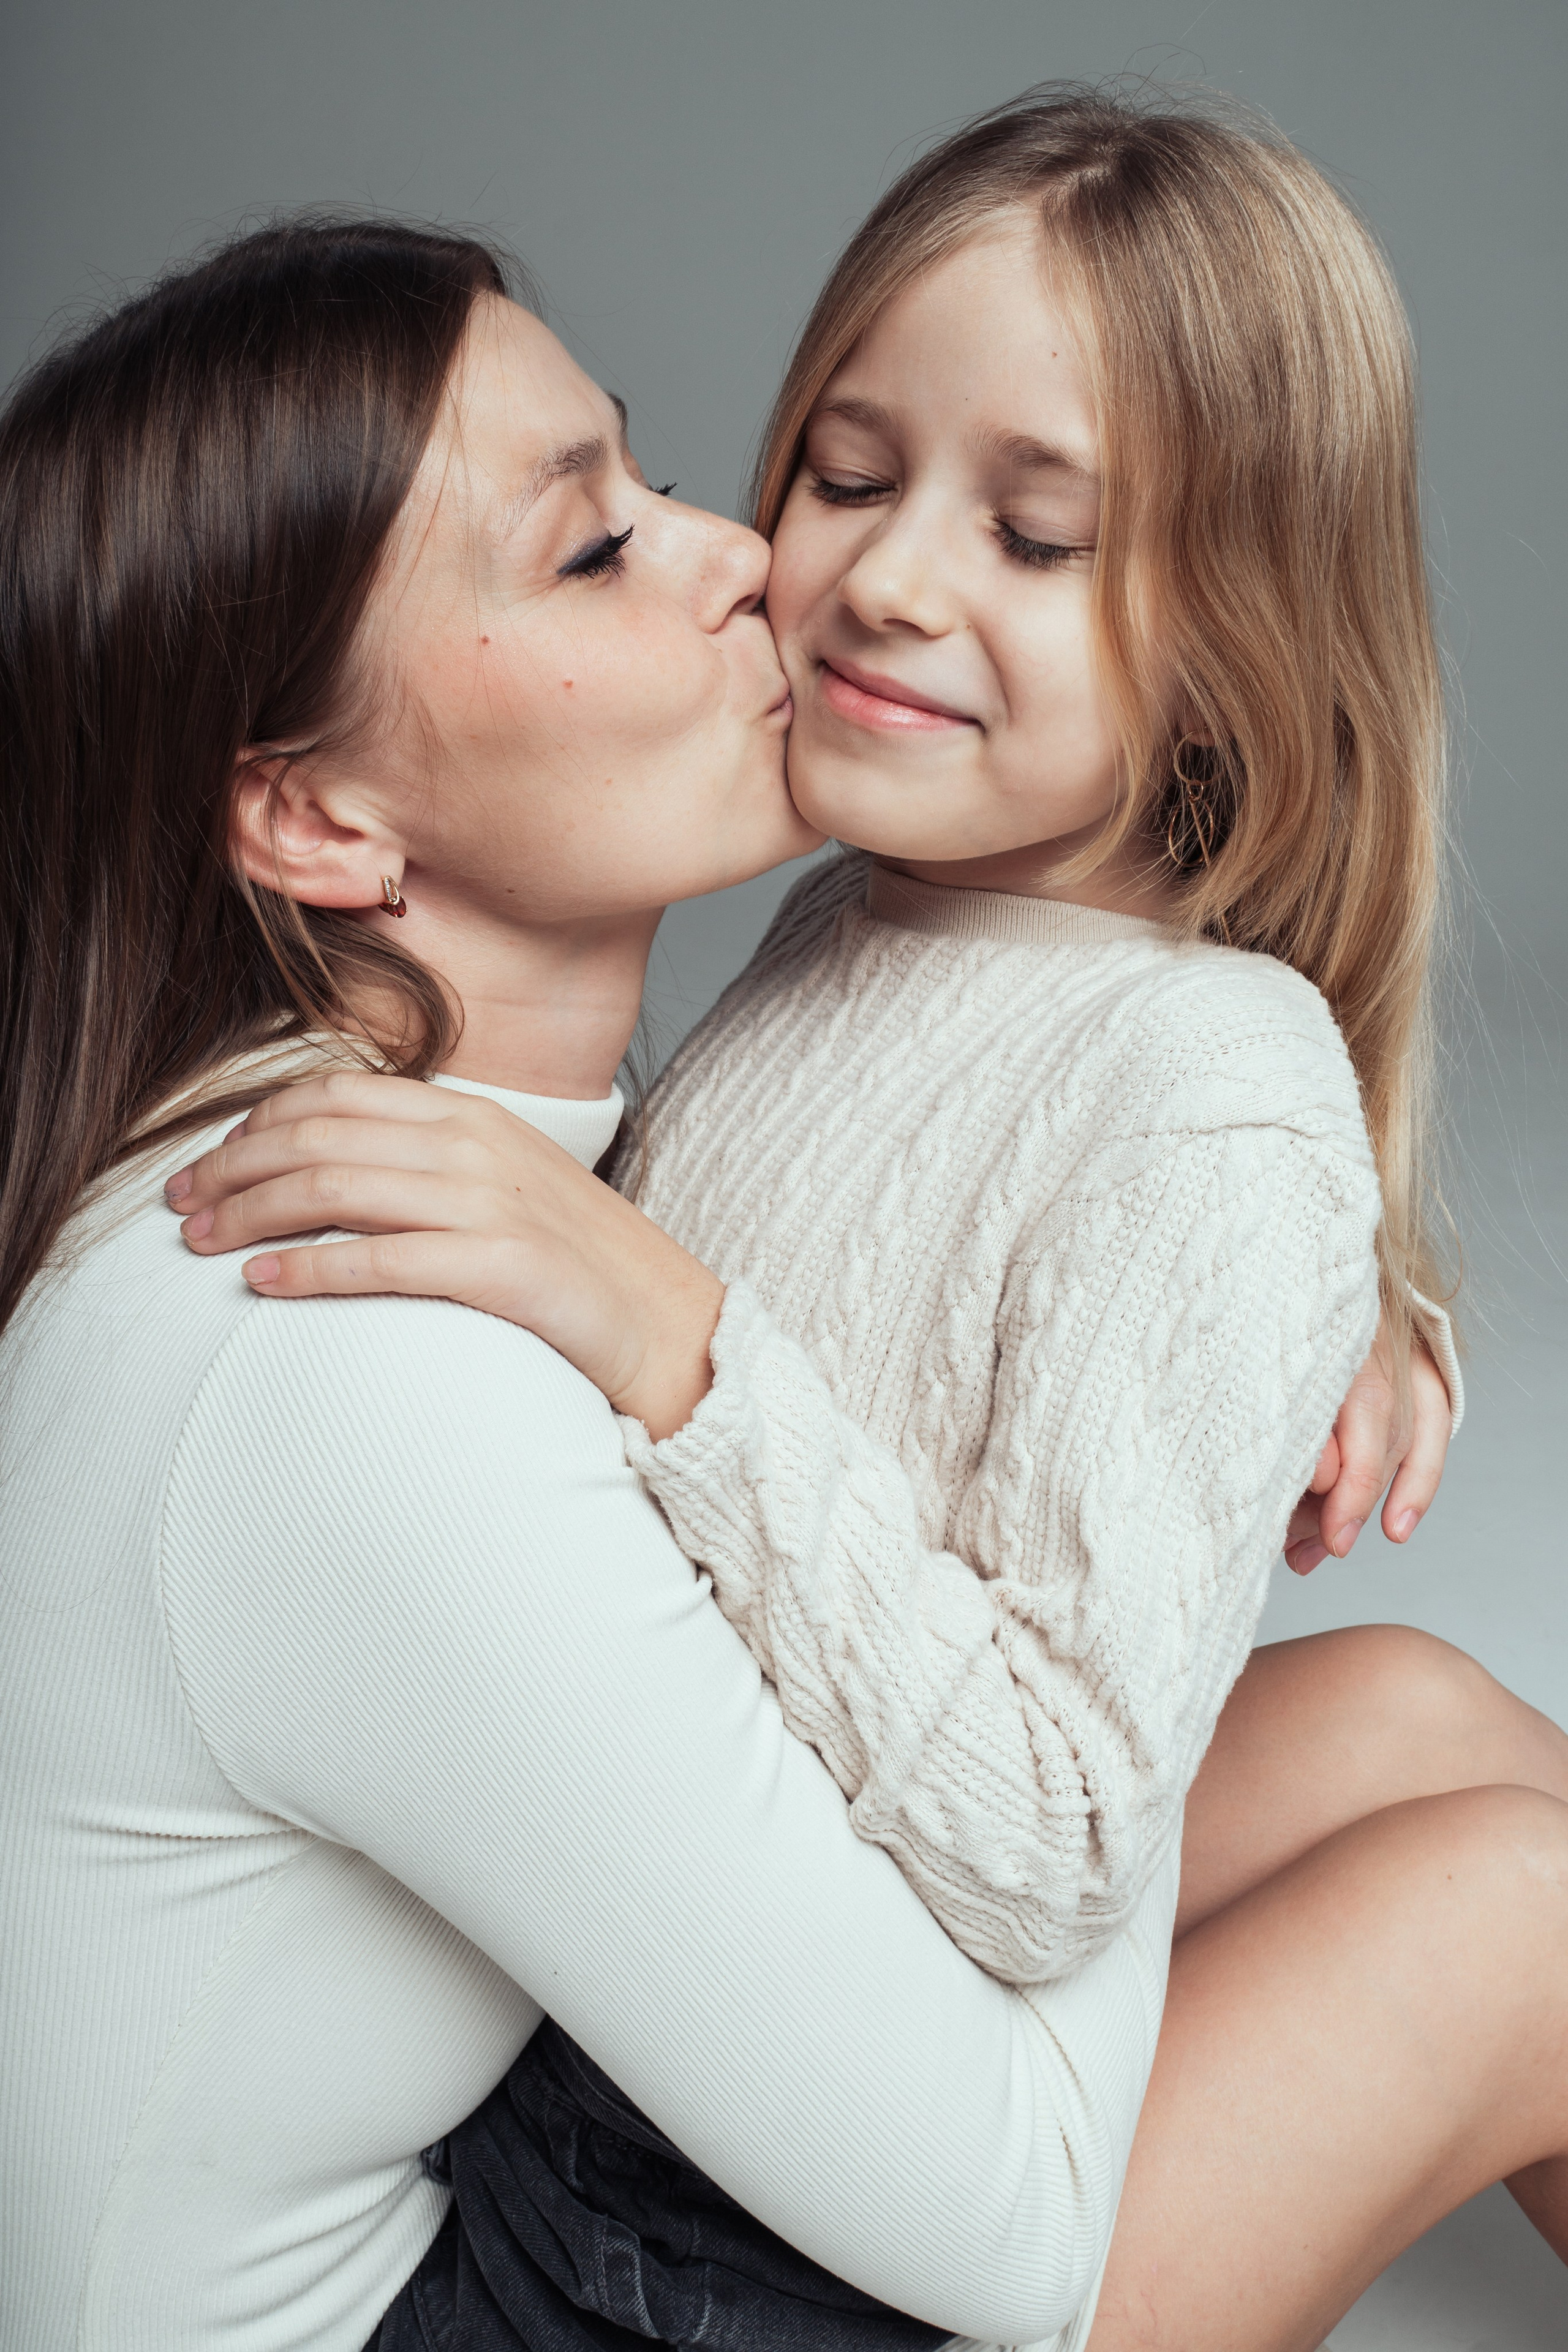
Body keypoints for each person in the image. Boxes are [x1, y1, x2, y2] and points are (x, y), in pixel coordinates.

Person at [175, 92, 1568, 2349]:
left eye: (1040, 537)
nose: (892, 580)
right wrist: (663, 1311)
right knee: (1530, 1913)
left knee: (1425, 1711)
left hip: (745, 2057)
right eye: (846, 474)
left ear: (1241, 633)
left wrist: (1321, 1282)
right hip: (732, 2241)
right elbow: (827, 1323)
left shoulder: (1207, 1085)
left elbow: (1034, 1816)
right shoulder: (868, 919)